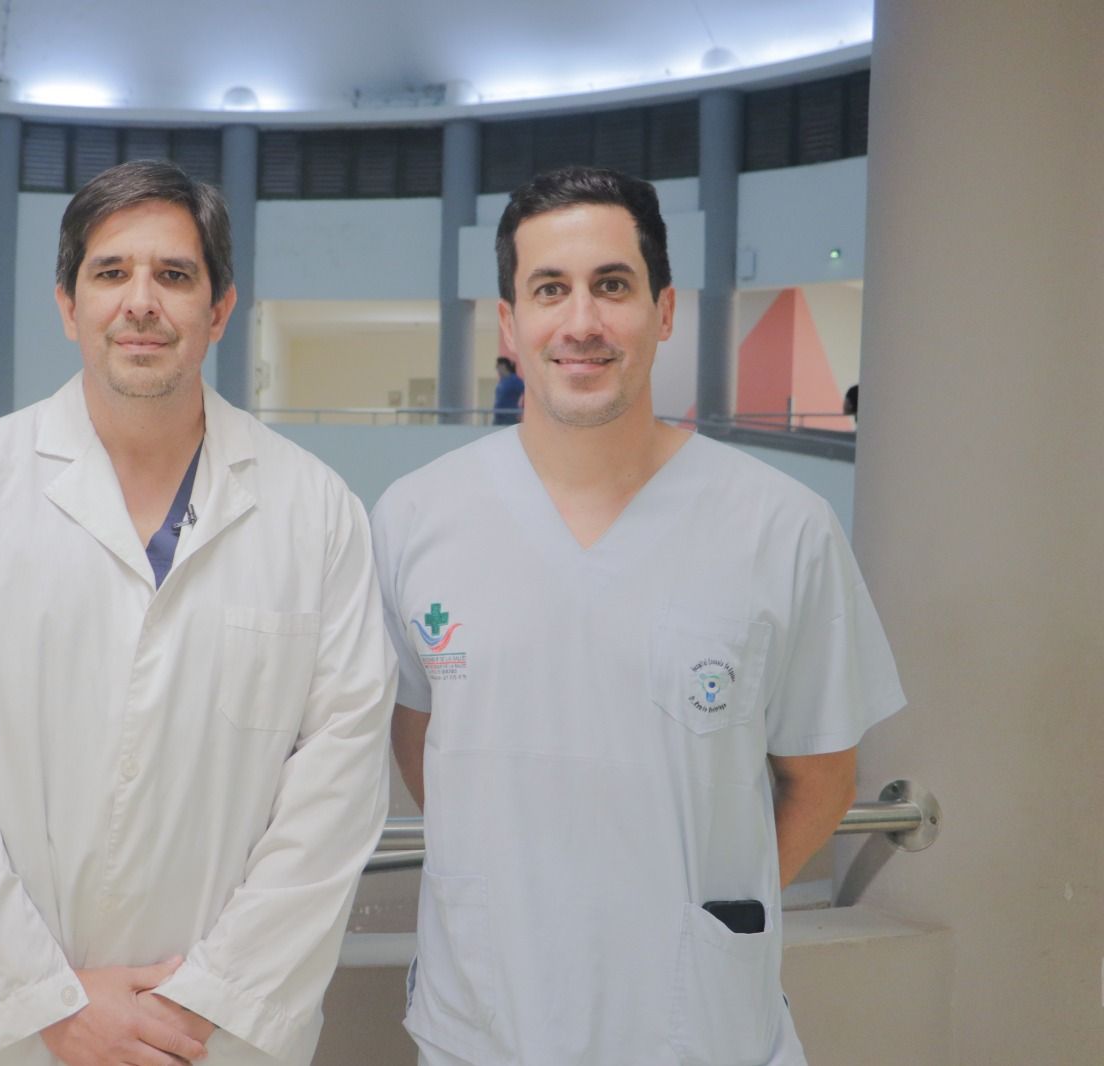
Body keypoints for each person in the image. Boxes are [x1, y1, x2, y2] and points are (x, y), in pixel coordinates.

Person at [0, 160, 396, 1066]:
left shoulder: (316, 511)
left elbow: (337, 792)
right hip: (21, 1040)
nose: (141, 302)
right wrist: (50, 1004)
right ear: (68, 305)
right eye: (111, 273)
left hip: (217, 1040)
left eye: (174, 275)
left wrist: (203, 1003)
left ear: (219, 310)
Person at [370, 166, 905, 1065]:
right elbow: (422, 740)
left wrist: (696, 917)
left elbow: (823, 781)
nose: (582, 321)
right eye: (550, 289)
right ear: (509, 323)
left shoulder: (782, 528)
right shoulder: (416, 519)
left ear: (663, 311)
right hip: (484, 1025)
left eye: (612, 286)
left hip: (699, 1030)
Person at [491, 357, 524, 425]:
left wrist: (522, 409)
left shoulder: (514, 380)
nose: (497, 369)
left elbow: (526, 393)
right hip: (498, 417)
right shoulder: (502, 381)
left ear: (503, 366)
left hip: (509, 418)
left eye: (498, 367)